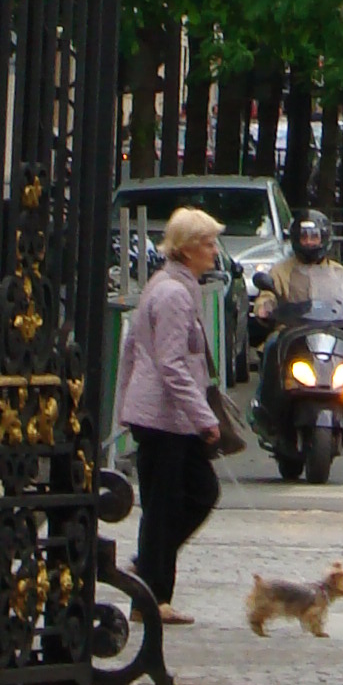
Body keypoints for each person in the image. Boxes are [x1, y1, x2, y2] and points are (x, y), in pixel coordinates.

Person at [115, 206, 225, 625]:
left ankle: (149, 573)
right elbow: (171, 363)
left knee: (194, 494)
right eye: (208, 243)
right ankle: (151, 595)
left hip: (167, 416)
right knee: (168, 504)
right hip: (165, 418)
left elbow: (135, 350)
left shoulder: (170, 286)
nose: (214, 251)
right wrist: (203, 416)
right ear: (188, 249)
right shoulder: (173, 294)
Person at [252, 210, 343, 481]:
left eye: (314, 236)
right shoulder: (280, 271)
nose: (309, 242)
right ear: (296, 239)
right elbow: (267, 295)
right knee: (271, 344)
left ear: (325, 238)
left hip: (334, 336)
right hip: (293, 336)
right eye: (304, 236)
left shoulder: (339, 273)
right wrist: (265, 307)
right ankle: (264, 407)